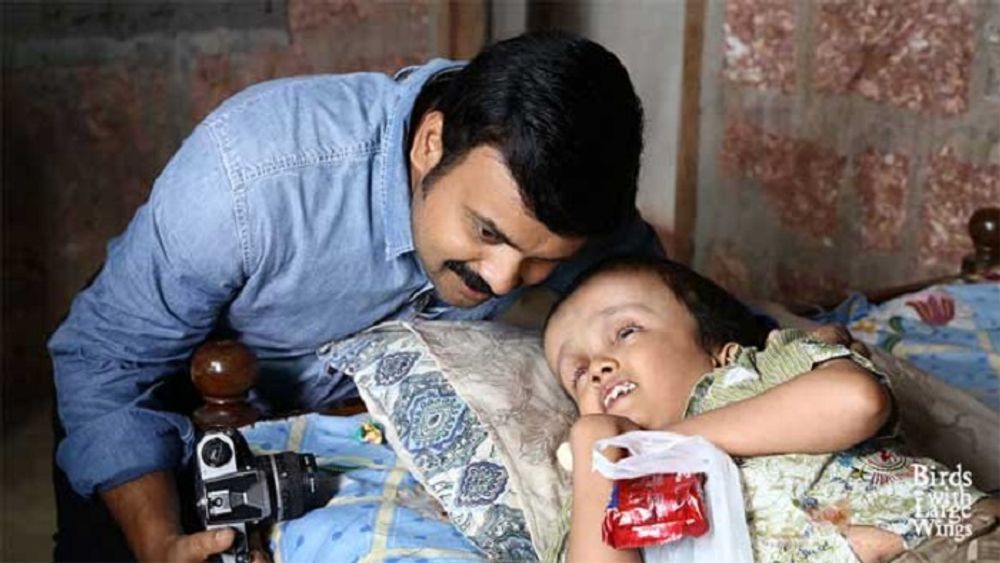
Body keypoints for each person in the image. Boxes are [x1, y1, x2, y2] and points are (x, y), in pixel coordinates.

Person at [48, 31, 662, 562]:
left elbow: (672, 327)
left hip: (344, 441)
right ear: (430, 143)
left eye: (541, 261)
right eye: (486, 232)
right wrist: (157, 539)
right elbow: (106, 363)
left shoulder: (571, 196)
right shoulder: (247, 182)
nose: (502, 280)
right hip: (155, 395)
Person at [543, 256, 992, 563]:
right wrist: (596, 460)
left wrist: (663, 444)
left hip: (947, 541)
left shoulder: (759, 372)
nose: (598, 367)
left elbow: (857, 401)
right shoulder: (602, 490)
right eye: (577, 373)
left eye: (626, 332)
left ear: (719, 349)